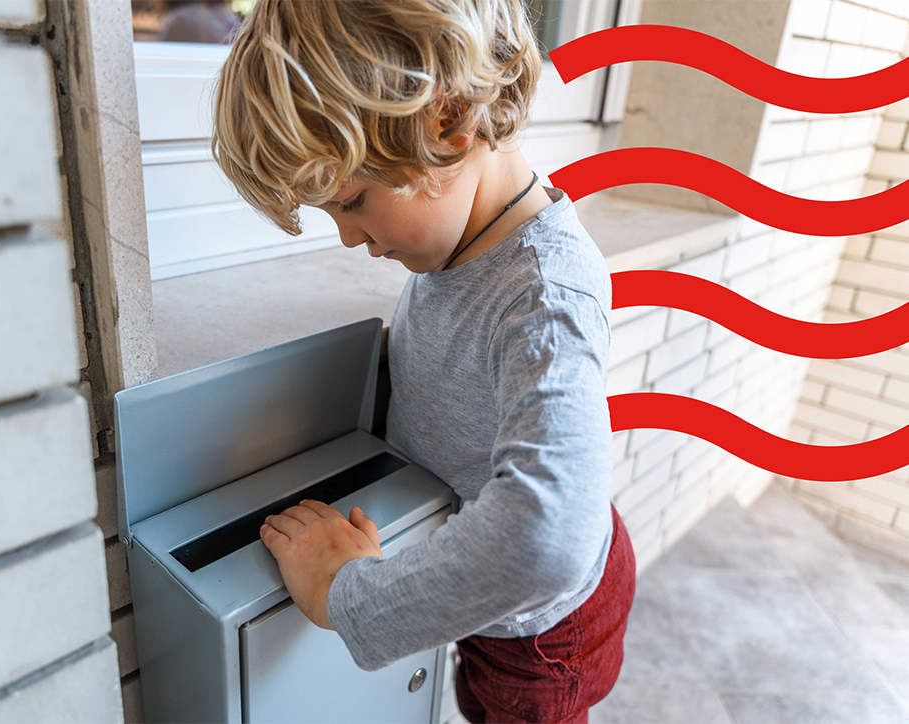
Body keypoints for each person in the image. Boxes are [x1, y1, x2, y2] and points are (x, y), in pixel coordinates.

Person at [211, 1, 636, 721]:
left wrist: (350, 596)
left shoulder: (544, 293)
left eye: (352, 202)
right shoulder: (467, 241)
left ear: (447, 121)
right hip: (502, 592)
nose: (348, 238)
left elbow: (547, 536)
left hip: (538, 635)